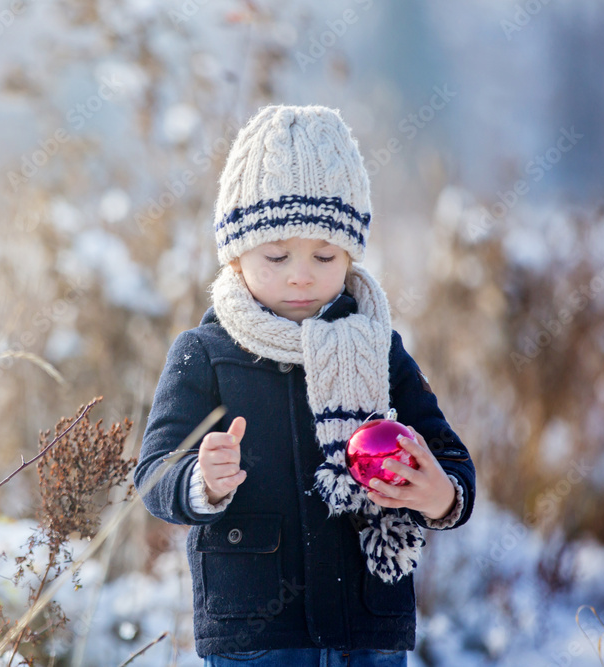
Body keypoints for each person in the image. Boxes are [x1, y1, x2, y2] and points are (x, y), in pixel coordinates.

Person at [134, 105, 476, 666]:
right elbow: (153, 476)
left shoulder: (377, 348)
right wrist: (201, 482)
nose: (301, 273)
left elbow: (450, 459)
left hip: (368, 632)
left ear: (350, 255)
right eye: (276, 255)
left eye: (324, 254)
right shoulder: (204, 355)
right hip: (257, 636)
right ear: (237, 256)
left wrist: (440, 495)